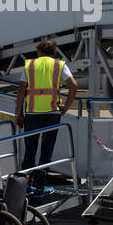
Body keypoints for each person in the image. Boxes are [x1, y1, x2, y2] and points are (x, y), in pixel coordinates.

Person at [15, 38, 78, 197]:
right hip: (52, 114)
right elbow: (74, 85)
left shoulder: (29, 65)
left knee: (30, 151)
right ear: (54, 52)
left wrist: (19, 113)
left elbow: (21, 91)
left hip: (32, 114)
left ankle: (25, 186)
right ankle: (40, 188)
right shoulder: (59, 65)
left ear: (39, 52)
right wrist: (67, 106)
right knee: (46, 151)